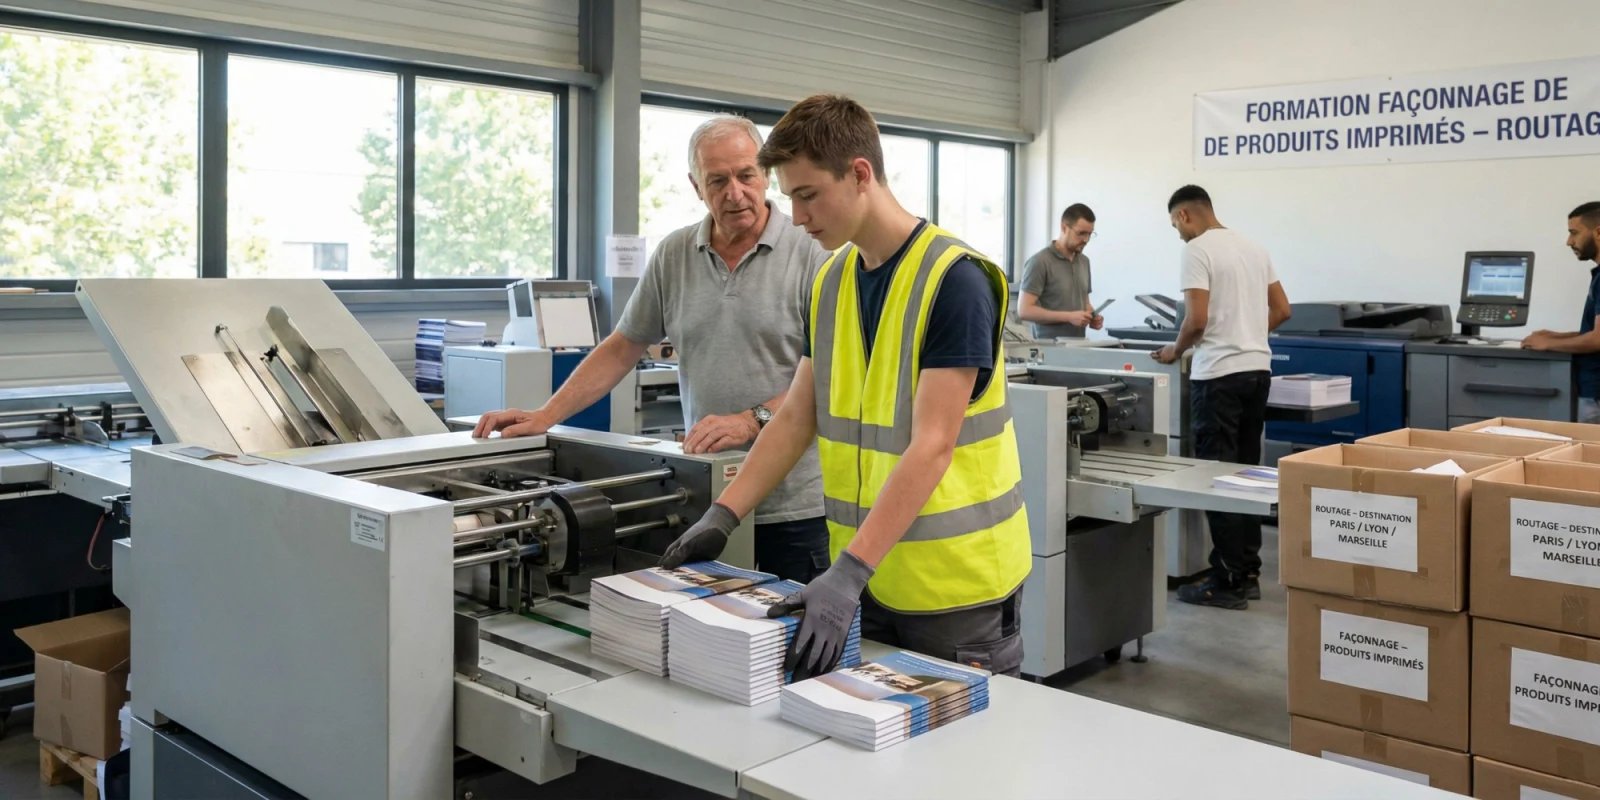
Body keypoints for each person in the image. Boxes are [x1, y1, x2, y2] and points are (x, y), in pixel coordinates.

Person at [660, 94, 1031, 680]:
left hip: (957, 591)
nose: (798, 217)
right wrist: (724, 515)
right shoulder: (833, 278)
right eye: (791, 198)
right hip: (865, 578)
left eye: (808, 195)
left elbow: (932, 444)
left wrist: (850, 571)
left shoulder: (955, 281)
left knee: (960, 766)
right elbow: (795, 417)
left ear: (860, 174)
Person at [473, 115, 832, 583]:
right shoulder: (675, 254)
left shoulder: (813, 253)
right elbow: (623, 346)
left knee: (791, 645)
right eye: (717, 180)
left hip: (794, 508)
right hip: (707, 493)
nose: (734, 193)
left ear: (766, 174)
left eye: (746, 176)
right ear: (695, 186)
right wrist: (546, 415)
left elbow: (831, 374)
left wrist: (750, 420)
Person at [1153, 185, 1292, 610]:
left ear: (1184, 216)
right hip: (1257, 372)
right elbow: (1283, 309)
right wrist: (1246, 335)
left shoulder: (1197, 250)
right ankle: (1247, 571)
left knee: (1219, 478)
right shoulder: (1253, 246)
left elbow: (1196, 319)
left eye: (1176, 224)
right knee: (1247, 475)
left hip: (1218, 377)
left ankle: (1227, 580)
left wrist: (1175, 351)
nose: (1178, 232)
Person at [1523, 202, 1600, 424]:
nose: (1569, 241)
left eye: (1574, 233)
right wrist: (1558, 336)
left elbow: (1597, 339)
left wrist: (1548, 345)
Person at [1018, 203, 1103, 339]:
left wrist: (1092, 316)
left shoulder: (1084, 261)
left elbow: (1085, 303)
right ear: (1064, 228)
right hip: (1049, 350)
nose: (1086, 240)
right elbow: (1024, 311)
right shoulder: (1040, 261)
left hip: (1080, 346)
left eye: (1090, 234)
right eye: (1081, 233)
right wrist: (1068, 317)